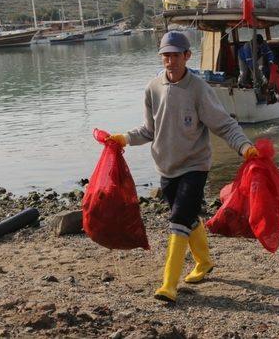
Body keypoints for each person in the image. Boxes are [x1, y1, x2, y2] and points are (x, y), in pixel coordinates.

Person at [108, 31, 259, 303]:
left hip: (195, 166)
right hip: (166, 168)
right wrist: (124, 139)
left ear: (187, 56)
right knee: (188, 218)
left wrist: (244, 146)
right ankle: (204, 263)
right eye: (166, 55)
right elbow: (148, 130)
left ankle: (168, 285)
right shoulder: (152, 88)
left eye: (176, 55)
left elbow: (224, 124)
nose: (170, 61)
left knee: (177, 221)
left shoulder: (199, 89)